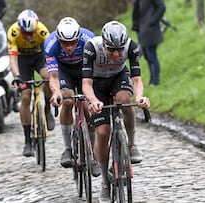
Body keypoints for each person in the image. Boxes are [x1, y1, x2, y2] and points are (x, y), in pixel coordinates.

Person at [81, 21, 150, 202]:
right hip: (97, 83)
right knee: (103, 132)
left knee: (125, 101)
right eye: (111, 50)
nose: (117, 54)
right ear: (104, 43)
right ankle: (105, 182)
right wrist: (94, 101)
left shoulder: (131, 46)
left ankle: (132, 144)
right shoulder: (91, 48)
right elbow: (86, 84)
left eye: (120, 50)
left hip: (118, 77)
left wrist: (140, 97)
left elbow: (136, 79)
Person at [45, 17, 100, 176]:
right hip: (64, 71)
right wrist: (56, 92)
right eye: (64, 43)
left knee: (87, 107)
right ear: (58, 39)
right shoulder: (50, 44)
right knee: (68, 100)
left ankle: (92, 153)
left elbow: (98, 65)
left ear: (78, 38)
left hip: (84, 69)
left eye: (73, 43)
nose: (69, 47)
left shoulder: (89, 39)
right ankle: (68, 149)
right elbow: (53, 76)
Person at [7, 9, 55, 157]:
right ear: (20, 29)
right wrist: (17, 76)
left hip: (39, 57)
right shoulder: (13, 32)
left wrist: (53, 73)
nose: (28, 37)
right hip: (22, 61)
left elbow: (50, 55)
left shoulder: (42, 31)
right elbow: (13, 60)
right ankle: (27, 140)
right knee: (26, 97)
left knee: (48, 77)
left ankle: (47, 109)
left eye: (31, 33)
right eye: (25, 34)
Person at [132, 0, 166, 86]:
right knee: (147, 56)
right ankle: (152, 79)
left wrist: (153, 21)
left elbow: (161, 7)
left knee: (152, 55)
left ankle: (155, 80)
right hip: (142, 30)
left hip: (151, 30)